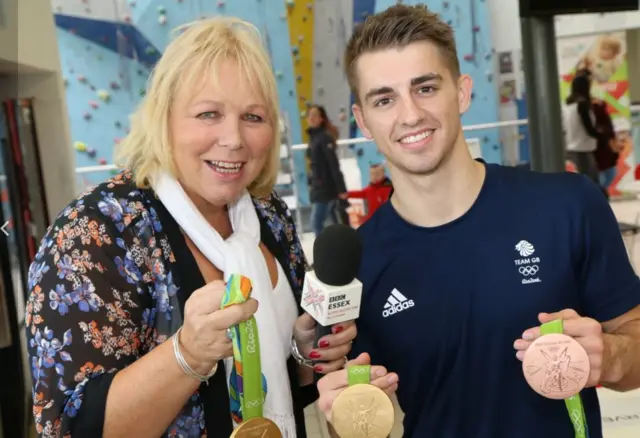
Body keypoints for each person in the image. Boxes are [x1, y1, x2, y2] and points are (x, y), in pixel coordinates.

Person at [316, 5, 640, 438]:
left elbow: (632, 342)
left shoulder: (567, 205)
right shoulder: (361, 263)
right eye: (384, 99)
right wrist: (340, 413)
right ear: (363, 122)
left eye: (426, 87)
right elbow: (357, 420)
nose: (410, 114)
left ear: (462, 92)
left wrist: (612, 357)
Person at [25, 17, 356, 438]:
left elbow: (285, 392)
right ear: (164, 119)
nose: (234, 138)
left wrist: (304, 354)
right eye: (208, 114)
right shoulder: (98, 231)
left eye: (253, 116)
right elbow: (70, 425)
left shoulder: (268, 214)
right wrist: (187, 355)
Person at [305, 104, 348, 236]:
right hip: (319, 187)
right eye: (309, 115)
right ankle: (338, 249)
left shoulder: (324, 138)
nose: (311, 118)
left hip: (326, 188)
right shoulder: (314, 139)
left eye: (315, 115)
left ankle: (326, 253)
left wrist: (341, 189)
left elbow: (333, 165)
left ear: (321, 119)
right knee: (333, 222)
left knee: (317, 223)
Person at [563, 73, 607, 184]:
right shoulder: (582, 105)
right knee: (591, 184)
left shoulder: (567, 105)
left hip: (570, 150)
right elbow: (589, 129)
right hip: (583, 151)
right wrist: (604, 136)